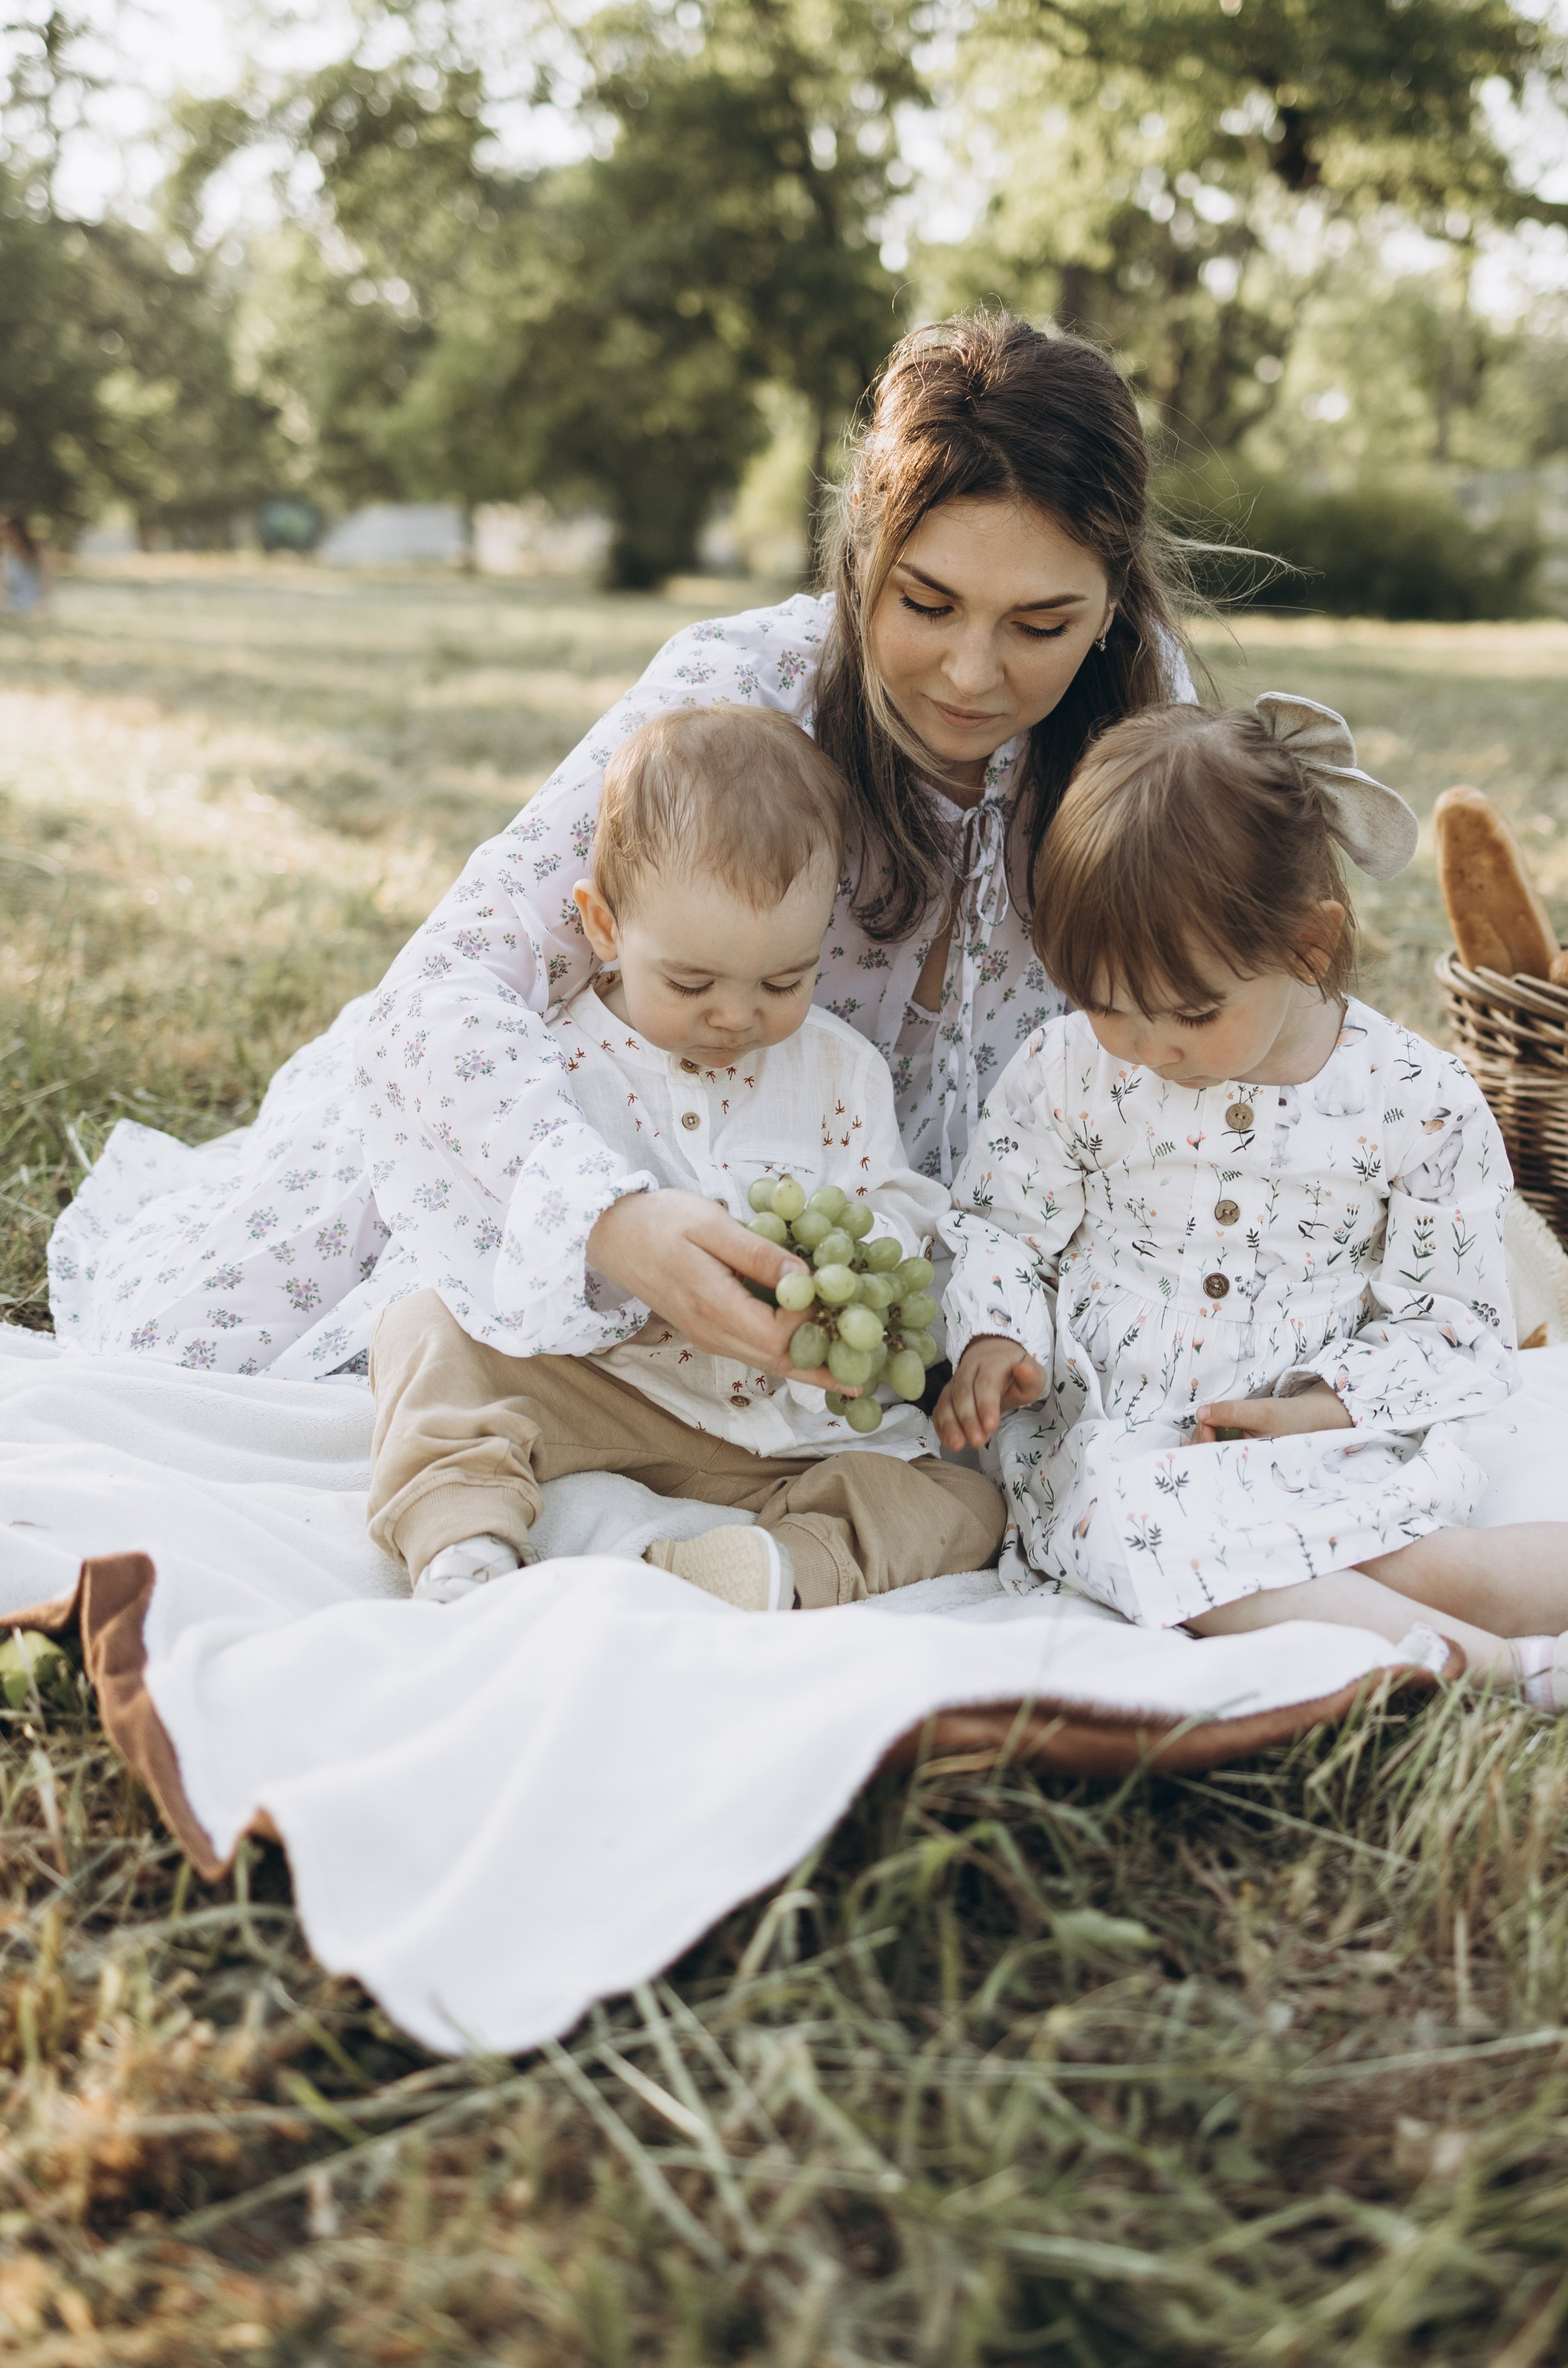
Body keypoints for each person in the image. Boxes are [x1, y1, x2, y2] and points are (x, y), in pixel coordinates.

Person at [50, 313, 1194, 1381]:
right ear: (860, 555)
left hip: (890, 1277)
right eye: (927, 604)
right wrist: (605, 1213)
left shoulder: (1144, 750)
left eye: (1040, 625)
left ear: (1111, 605)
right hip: (605, 1151)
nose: (971, 674)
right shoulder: (743, 689)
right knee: (265, 1380)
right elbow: (444, 989)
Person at [931, 696, 1568, 1703]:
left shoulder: (1413, 1102)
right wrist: (998, 1337)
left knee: (1438, 1563)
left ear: (1309, 945)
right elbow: (1004, 1225)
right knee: (1164, 1543)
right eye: (1102, 1006)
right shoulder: (1067, 1072)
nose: (1142, 1048)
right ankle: (1517, 1678)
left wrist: (1326, 1405)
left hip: (1314, 1435)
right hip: (1121, 1438)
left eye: (1187, 1014)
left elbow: (1449, 1320)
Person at [368, 703, 1003, 1610]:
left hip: (794, 1432)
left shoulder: (838, 1069)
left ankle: (767, 1570)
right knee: (424, 1327)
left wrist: (861, 1269)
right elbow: (510, 1232)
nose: (736, 1017)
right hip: (614, 1391)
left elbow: (891, 1201)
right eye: (691, 982)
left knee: (964, 1502)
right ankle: (462, 1531)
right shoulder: (565, 1063)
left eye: (783, 981)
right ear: (603, 928)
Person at [1, 514, 49, 615]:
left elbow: (47, 579)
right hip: (15, 601)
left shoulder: (37, 550)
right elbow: (4, 583)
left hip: (36, 601)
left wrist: (43, 602)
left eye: (10, 531)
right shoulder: (7, 553)